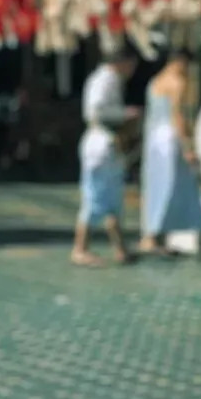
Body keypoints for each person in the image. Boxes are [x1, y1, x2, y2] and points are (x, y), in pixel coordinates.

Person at [72, 46, 140, 267]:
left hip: (108, 144)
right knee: (96, 195)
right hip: (100, 144)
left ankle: (120, 248)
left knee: (113, 197)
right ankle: (80, 249)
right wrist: (126, 114)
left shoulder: (110, 79)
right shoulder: (105, 79)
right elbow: (98, 112)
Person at [139, 47, 201, 255]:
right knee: (170, 186)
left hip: (153, 138)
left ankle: (153, 235)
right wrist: (188, 146)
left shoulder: (155, 81)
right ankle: (156, 234)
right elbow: (178, 115)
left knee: (155, 185)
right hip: (169, 138)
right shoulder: (178, 82)